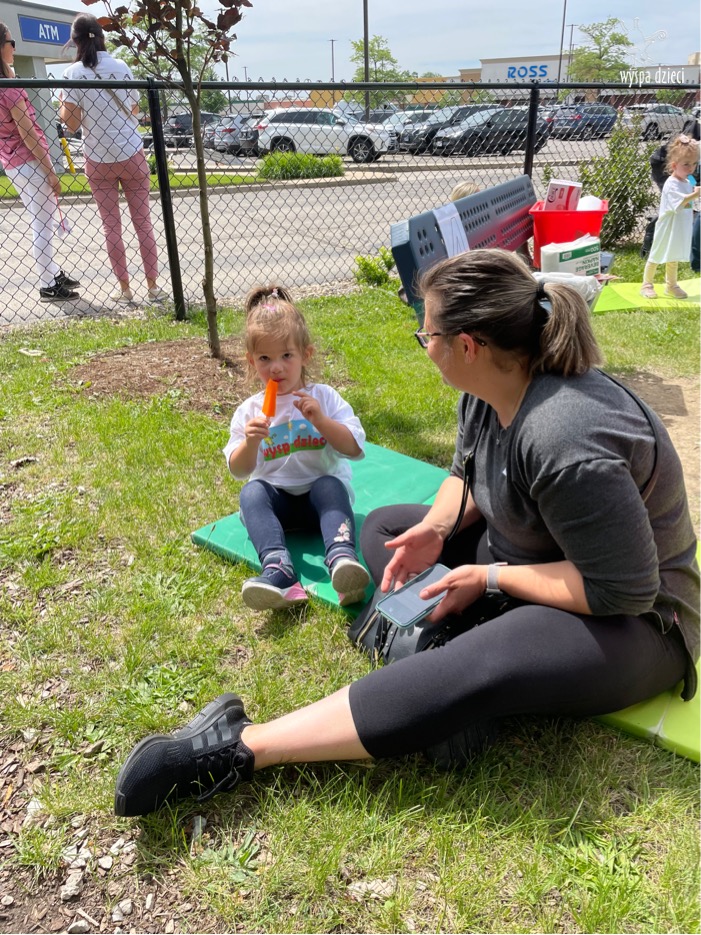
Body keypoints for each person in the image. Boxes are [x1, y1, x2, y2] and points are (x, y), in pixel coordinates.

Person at [114, 249, 698, 819]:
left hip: (637, 621)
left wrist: (489, 577)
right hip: (533, 554)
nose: (424, 344)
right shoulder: (489, 390)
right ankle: (453, 685)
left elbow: (622, 589)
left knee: (481, 662)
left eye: (427, 335)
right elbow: (465, 476)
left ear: (467, 345)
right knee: (390, 529)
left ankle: (244, 746)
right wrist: (436, 529)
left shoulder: (565, 438)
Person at [223, 284, 370, 611]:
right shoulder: (250, 411)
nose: (276, 367)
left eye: (286, 356)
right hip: (278, 504)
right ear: (251, 361)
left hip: (321, 501)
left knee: (330, 485)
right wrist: (250, 442)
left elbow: (354, 448)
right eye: (265, 358)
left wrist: (322, 422)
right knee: (251, 493)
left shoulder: (325, 398)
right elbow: (238, 470)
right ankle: (278, 569)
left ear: (306, 355)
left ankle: (342, 559)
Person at [59, 14, 163, 306]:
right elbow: (134, 108)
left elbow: (71, 123)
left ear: (75, 41)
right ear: (102, 37)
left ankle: (125, 289)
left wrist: (66, 107)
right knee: (143, 223)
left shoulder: (72, 74)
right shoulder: (121, 67)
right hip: (131, 151)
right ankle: (153, 287)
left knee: (111, 227)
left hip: (98, 156)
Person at [0, 23, 80, 302]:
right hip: (30, 162)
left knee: (40, 219)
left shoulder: (6, 83)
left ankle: (53, 272)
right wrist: (50, 170)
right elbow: (29, 133)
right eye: (11, 43)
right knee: (43, 223)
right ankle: (48, 284)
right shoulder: (9, 89)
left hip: (12, 162)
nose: (14, 48)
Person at [641, 135, 700, 299]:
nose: (691, 168)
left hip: (679, 226)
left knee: (673, 256)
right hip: (667, 226)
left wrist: (695, 191)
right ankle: (647, 285)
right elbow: (679, 202)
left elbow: (691, 195)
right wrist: (694, 195)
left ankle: (671, 285)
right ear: (674, 165)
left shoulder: (687, 180)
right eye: (686, 164)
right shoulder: (671, 183)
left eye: (694, 164)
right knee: (656, 254)